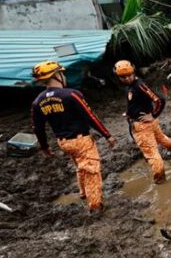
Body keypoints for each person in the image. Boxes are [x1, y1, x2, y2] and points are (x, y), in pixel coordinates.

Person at [30, 61, 115, 214]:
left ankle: (83, 193)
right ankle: (95, 206)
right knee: (92, 171)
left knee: (80, 165)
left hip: (64, 142)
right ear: (56, 75)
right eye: (61, 73)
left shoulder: (38, 102)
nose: (63, 76)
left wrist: (44, 146)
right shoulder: (71, 94)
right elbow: (90, 117)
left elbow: (38, 127)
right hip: (81, 140)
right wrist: (106, 135)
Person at [114, 60, 171, 184]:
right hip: (149, 122)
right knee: (162, 139)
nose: (127, 78)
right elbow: (135, 102)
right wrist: (129, 113)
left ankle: (160, 182)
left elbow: (160, 100)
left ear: (133, 72)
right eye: (123, 77)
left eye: (129, 75)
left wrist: (154, 114)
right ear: (119, 77)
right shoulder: (132, 86)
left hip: (143, 125)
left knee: (152, 154)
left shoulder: (139, 85)